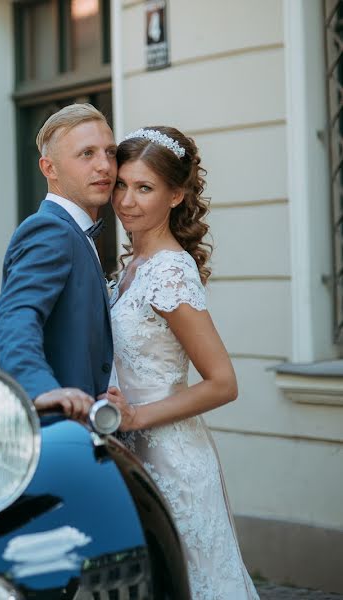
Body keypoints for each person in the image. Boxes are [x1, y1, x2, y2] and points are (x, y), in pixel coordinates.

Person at [101, 126, 260, 599]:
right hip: (135, 454)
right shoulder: (133, 265)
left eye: (144, 188)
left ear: (176, 195)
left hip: (172, 460)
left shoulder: (169, 271)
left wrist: (137, 416)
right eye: (121, 185)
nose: (127, 201)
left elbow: (223, 383)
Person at [0, 103, 116, 421]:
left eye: (110, 152)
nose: (105, 165)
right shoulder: (50, 230)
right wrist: (40, 389)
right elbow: (14, 318)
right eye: (87, 154)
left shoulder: (75, 230)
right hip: (61, 430)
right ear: (49, 169)